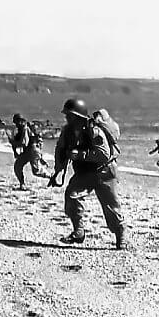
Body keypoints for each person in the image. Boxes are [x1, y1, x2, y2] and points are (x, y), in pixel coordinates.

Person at [50, 99, 127, 248]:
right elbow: (61, 150)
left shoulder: (94, 130)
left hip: (104, 172)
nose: (67, 118)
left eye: (70, 115)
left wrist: (81, 155)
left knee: (111, 207)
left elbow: (104, 154)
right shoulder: (68, 132)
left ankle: (120, 235)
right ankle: (78, 231)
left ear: (78, 116)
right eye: (66, 115)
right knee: (72, 196)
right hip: (85, 173)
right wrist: (57, 171)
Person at [9, 113, 49, 189]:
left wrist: (14, 143)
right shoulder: (20, 130)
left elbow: (24, 143)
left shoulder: (25, 129)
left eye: (17, 122)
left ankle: (51, 177)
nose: (16, 124)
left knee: (36, 172)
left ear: (21, 121)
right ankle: (22, 184)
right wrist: (14, 149)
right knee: (17, 166)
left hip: (33, 151)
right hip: (28, 151)